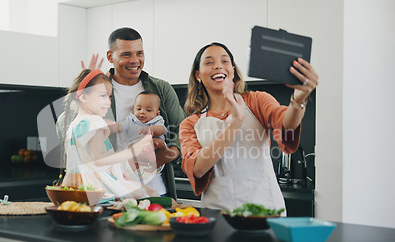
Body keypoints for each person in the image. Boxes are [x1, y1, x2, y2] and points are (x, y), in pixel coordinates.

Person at [179, 42, 318, 213]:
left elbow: (286, 124)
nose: (218, 66)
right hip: (219, 213)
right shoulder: (190, 124)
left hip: (265, 209)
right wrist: (235, 122)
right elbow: (197, 169)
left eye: (224, 61)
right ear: (198, 75)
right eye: (209, 62)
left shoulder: (256, 101)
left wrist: (298, 100)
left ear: (233, 71)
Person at [83, 27, 186, 198]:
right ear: (110, 56)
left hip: (154, 188)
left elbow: (182, 130)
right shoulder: (97, 90)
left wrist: (171, 153)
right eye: (126, 54)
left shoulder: (161, 88)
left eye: (139, 53)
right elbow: (67, 128)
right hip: (108, 190)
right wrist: (84, 92)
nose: (135, 60)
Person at [60, 69, 158, 199]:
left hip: (76, 187)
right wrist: (133, 151)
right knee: (152, 194)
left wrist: (115, 171)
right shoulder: (95, 121)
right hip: (98, 187)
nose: (108, 102)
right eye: (102, 95)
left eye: (109, 96)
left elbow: (83, 161)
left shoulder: (73, 126)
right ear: (84, 97)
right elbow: (99, 158)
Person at [109, 91, 168, 195]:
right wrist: (111, 126)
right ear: (133, 110)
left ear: (157, 113)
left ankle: (148, 151)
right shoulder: (131, 120)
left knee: (156, 141)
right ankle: (143, 155)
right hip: (135, 151)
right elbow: (121, 126)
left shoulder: (156, 120)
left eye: (148, 110)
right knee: (132, 148)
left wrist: (151, 129)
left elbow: (162, 129)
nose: (142, 112)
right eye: (138, 109)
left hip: (154, 151)